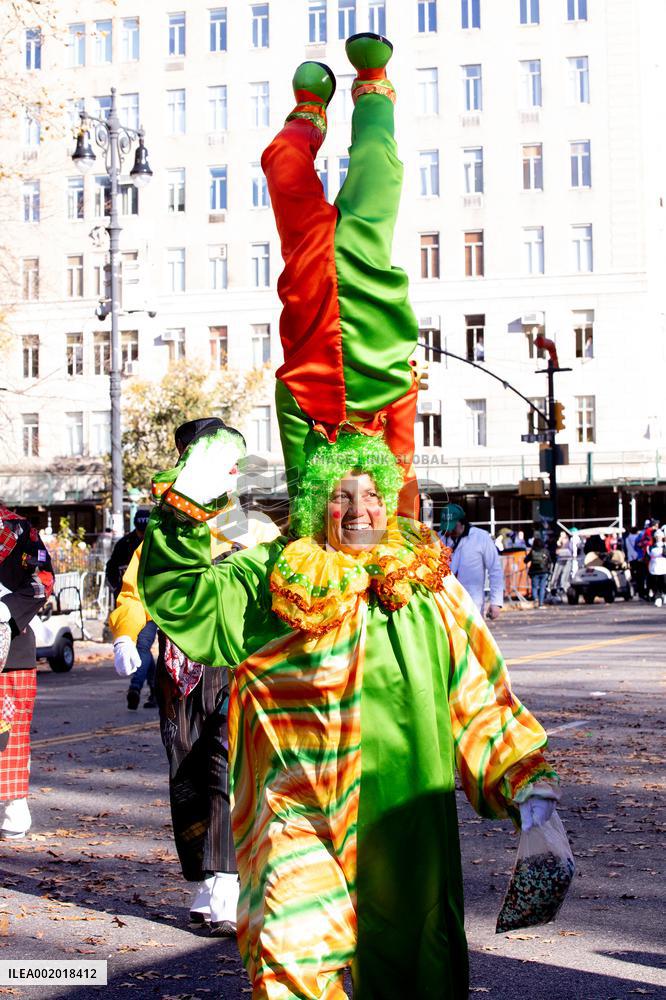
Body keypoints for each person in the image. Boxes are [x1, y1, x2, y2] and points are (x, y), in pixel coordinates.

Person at [139, 35, 561, 999]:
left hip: (399, 848)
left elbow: (481, 702)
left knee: (354, 237)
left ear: (394, 491)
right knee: (318, 237)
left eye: (374, 494)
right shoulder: (280, 573)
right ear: (323, 496)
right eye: (345, 495)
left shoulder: (426, 594)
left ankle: (347, 114)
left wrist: (532, 798)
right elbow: (176, 589)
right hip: (296, 827)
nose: (361, 506)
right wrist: (193, 491)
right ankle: (312, 124)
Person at [110, 418, 280, 935]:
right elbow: (137, 589)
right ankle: (206, 879)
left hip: (239, 663)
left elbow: (282, 579)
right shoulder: (165, 530)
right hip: (180, 667)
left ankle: (229, 880)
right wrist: (124, 633)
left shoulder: (248, 524)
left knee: (226, 765)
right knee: (184, 767)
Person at [0, 506, 54, 839]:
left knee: (9, 731)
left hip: (11, 642)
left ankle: (12, 804)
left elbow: (43, 579)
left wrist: (5, 610)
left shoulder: (18, 528)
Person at [106, 509, 157, 709]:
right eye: (139, 532)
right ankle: (154, 690)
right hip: (129, 604)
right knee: (141, 651)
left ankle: (135, 687)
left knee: (142, 648)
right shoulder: (124, 545)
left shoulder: (157, 542)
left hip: (151, 606)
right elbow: (111, 569)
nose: (142, 535)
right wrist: (118, 589)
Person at [439, 503, 504, 618]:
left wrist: (496, 602)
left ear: (462, 522)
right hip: (445, 602)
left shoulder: (481, 537)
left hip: (472, 603)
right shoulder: (439, 538)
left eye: (453, 527)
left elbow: (495, 570)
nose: (449, 532)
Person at [525, 536, 551, 609]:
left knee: (534, 587)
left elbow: (526, 560)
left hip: (534, 571)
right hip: (544, 571)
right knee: (542, 587)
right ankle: (541, 603)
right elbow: (550, 561)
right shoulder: (545, 551)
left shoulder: (533, 551)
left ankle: (535, 599)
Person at [549, 530, 573, 600]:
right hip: (560, 559)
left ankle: (564, 588)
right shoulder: (559, 541)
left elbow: (571, 550)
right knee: (556, 574)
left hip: (567, 558)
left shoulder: (569, 542)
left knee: (565, 575)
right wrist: (559, 541)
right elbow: (557, 548)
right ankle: (554, 588)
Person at [647, 529, 666, 606]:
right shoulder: (650, 547)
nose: (658, 538)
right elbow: (648, 556)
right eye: (657, 536)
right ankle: (658, 598)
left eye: (660, 536)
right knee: (656, 584)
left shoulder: (664, 545)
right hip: (654, 568)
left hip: (664, 567)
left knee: (664, 583)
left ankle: (664, 594)